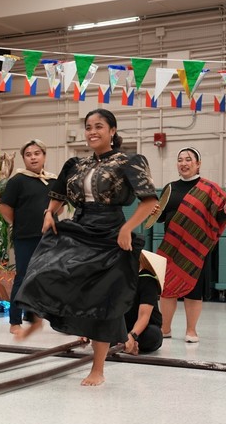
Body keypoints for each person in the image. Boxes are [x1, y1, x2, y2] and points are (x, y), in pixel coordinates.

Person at [14, 108, 158, 386]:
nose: (92, 131)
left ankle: (98, 369)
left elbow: (149, 201)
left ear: (112, 131)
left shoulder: (129, 161)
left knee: (104, 301)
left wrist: (128, 228)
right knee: (43, 269)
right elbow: (57, 193)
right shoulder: (76, 164)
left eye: (99, 126)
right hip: (79, 226)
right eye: (89, 127)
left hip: (111, 234)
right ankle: (35, 318)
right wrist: (49, 212)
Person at [156, 147, 226, 343]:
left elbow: (219, 215)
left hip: (195, 248)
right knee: (167, 290)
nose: (183, 163)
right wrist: (153, 210)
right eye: (180, 159)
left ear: (198, 164)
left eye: (188, 159)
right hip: (171, 246)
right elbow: (159, 218)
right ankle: (165, 328)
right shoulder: (170, 187)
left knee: (194, 290)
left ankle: (191, 330)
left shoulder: (210, 188)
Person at [0, 139, 56, 334]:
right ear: (24, 158)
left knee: (44, 277)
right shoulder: (17, 180)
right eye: (29, 154)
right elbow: (4, 207)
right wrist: (19, 222)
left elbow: (59, 204)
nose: (33, 157)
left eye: (37, 153)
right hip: (24, 236)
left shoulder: (53, 180)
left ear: (44, 156)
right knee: (22, 277)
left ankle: (36, 316)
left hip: (48, 237)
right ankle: (15, 321)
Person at [120, 250, 167, 355]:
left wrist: (132, 336)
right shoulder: (119, 278)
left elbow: (144, 317)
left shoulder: (147, 279)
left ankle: (129, 344)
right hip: (122, 326)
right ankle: (128, 345)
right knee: (102, 333)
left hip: (144, 329)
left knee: (153, 336)